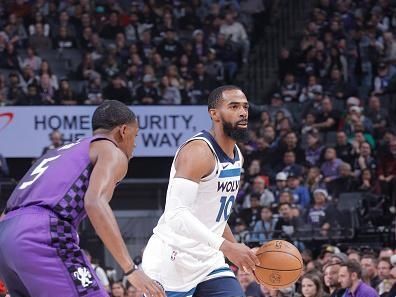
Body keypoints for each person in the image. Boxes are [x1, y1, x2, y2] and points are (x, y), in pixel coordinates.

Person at [0, 100, 165, 297]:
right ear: (123, 131)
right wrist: (130, 269)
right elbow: (94, 202)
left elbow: (8, 210)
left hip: (6, 235)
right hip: (40, 233)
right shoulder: (111, 150)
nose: (135, 143)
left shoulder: (58, 152)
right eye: (135, 135)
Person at [142, 85, 259, 296]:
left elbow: (215, 216)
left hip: (208, 261)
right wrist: (228, 248)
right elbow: (175, 215)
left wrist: (238, 251)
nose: (242, 112)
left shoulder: (237, 156)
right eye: (233, 106)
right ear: (214, 114)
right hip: (172, 261)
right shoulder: (198, 152)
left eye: (245, 107)